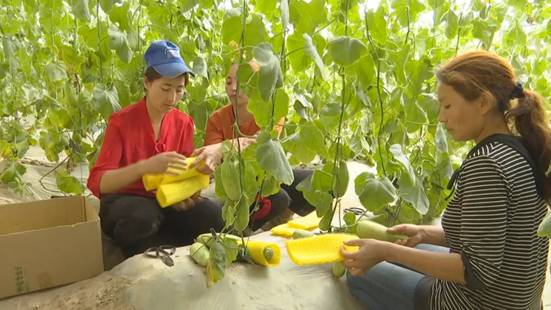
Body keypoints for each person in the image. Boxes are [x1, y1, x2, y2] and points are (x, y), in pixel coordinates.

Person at [341, 50, 550, 310]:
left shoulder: (487, 164)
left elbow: (477, 272)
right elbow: (493, 238)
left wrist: (386, 251)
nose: (441, 117)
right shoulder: (515, 149)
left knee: (359, 274)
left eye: (448, 105)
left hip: (480, 304)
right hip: (520, 302)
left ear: (483, 103)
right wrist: (424, 233)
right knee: (401, 255)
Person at [87, 40, 224, 257]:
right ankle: (157, 239)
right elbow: (98, 183)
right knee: (142, 218)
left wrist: (188, 193)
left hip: (164, 200)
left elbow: (185, 173)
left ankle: (154, 241)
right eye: (165, 88)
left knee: (214, 216)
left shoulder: (184, 122)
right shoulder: (121, 122)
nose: (172, 98)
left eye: (179, 90)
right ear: (147, 83)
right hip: (126, 202)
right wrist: (146, 167)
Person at [204, 63, 315, 230]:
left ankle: (277, 220)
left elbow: (263, 153)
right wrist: (246, 145)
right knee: (278, 198)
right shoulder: (216, 119)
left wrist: (229, 148)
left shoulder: (272, 111)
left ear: (257, 84)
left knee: (313, 180)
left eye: (241, 82)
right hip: (234, 182)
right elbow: (214, 160)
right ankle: (243, 230)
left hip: (265, 175)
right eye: (228, 82)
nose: (233, 88)